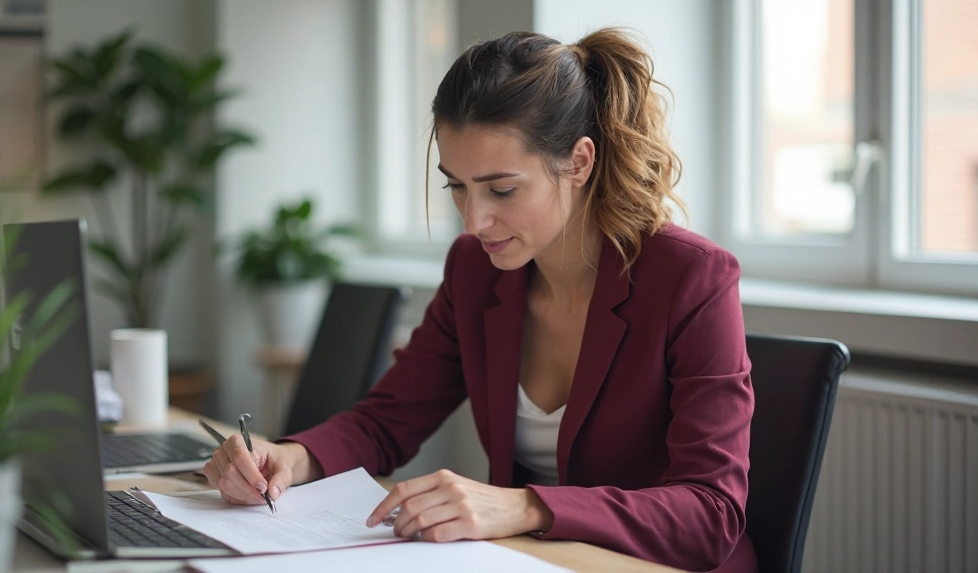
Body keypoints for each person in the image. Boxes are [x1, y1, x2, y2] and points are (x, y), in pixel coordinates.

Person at [205, 28, 757, 573]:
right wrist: (292, 458)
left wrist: (523, 505)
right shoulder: (475, 269)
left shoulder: (690, 277)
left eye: (502, 189)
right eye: (457, 187)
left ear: (580, 162)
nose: (474, 221)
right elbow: (388, 420)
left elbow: (711, 512)